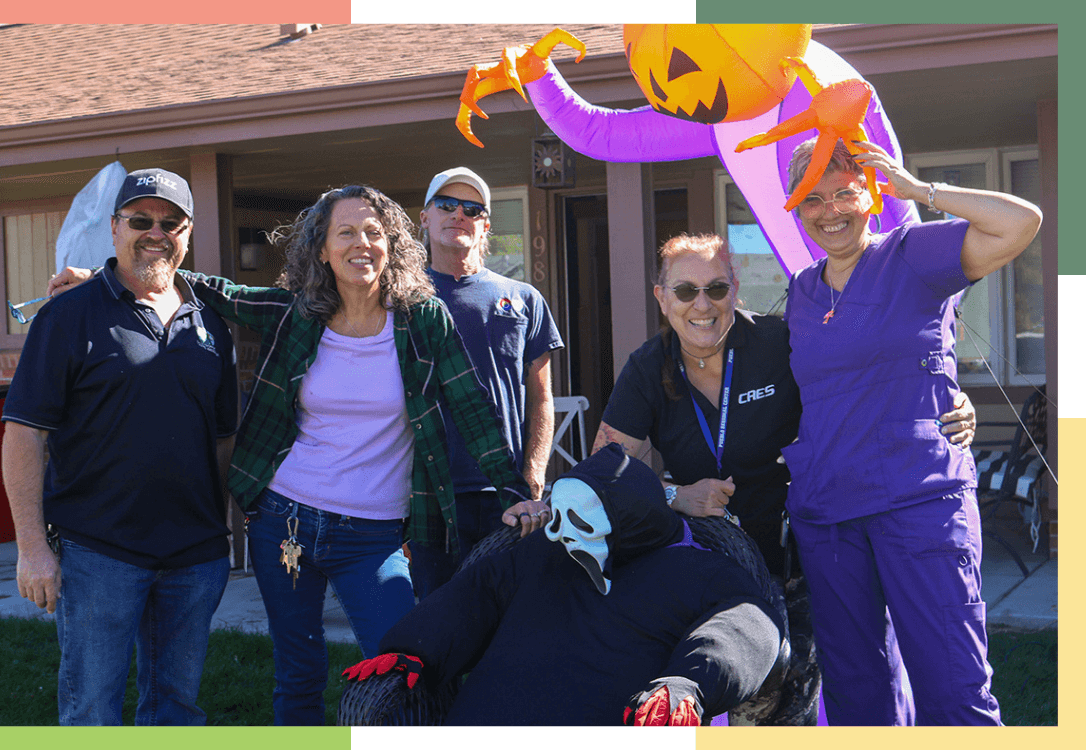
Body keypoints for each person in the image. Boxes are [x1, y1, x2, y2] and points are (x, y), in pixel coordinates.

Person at [51, 184, 533, 725]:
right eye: (345, 232)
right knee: (298, 670)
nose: (362, 244)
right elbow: (213, 290)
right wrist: (105, 278)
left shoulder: (424, 321)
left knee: (402, 661)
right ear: (321, 249)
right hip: (286, 526)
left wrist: (514, 489)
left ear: (393, 245)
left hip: (374, 535)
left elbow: (472, 407)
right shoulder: (295, 313)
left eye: (375, 233)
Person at [778, 137, 1042, 725]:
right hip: (828, 519)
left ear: (870, 193)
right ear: (795, 207)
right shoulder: (801, 292)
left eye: (844, 192)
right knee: (858, 699)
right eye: (813, 198)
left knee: (953, 691)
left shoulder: (914, 255)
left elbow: (1021, 223)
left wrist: (920, 190)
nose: (830, 210)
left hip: (919, 503)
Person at [0, 168, 238, 725]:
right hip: (99, 554)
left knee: (177, 710)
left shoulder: (211, 320)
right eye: (140, 220)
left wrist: (219, 524)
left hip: (195, 557)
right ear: (114, 228)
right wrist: (32, 548)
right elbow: (24, 434)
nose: (155, 232)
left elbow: (223, 436)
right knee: (91, 712)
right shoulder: (67, 314)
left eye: (170, 222)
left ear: (188, 232)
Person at [595, 232, 976, 579]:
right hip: (698, 552)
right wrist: (675, 495)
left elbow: (864, 379)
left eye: (715, 288)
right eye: (684, 291)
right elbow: (604, 467)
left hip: (799, 549)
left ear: (734, 291)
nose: (701, 304)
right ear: (662, 298)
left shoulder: (778, 341)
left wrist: (945, 396)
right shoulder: (647, 367)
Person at [344, 443, 787, 727]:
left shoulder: (700, 572)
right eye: (556, 516)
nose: (556, 534)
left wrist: (687, 685)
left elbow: (748, 625)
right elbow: (476, 591)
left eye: (575, 523)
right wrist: (414, 646)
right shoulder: (542, 552)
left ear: (624, 525)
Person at [409, 167, 564, 598]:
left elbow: (541, 399)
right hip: (429, 493)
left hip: (505, 493)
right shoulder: (400, 300)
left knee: (507, 617)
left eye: (473, 209)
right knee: (436, 623)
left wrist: (533, 477)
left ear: (486, 225)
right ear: (424, 217)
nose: (459, 214)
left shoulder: (524, 299)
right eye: (446, 204)